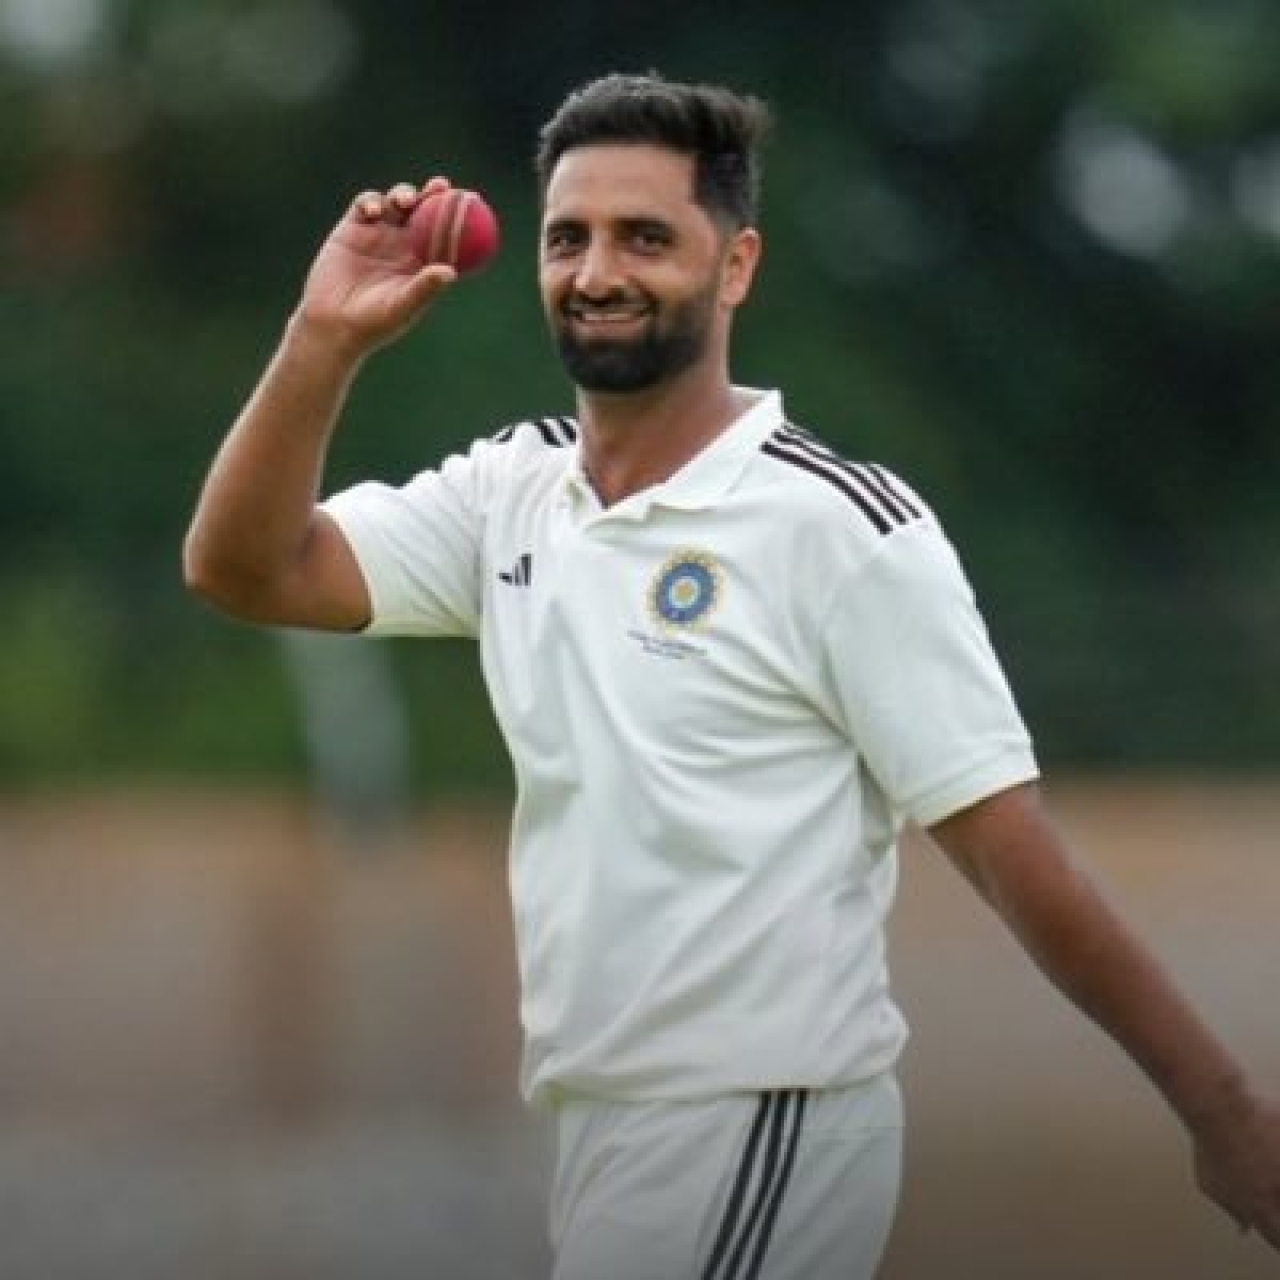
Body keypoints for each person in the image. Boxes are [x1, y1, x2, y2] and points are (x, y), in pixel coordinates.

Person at [183, 71, 1280, 1278]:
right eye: (568, 237)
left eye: (644, 237)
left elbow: (1012, 854)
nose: (597, 271)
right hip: (600, 1120)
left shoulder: (838, 526)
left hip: (757, 1114)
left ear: (736, 264)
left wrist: (1222, 1111)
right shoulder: (511, 490)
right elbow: (246, 567)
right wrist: (323, 337)